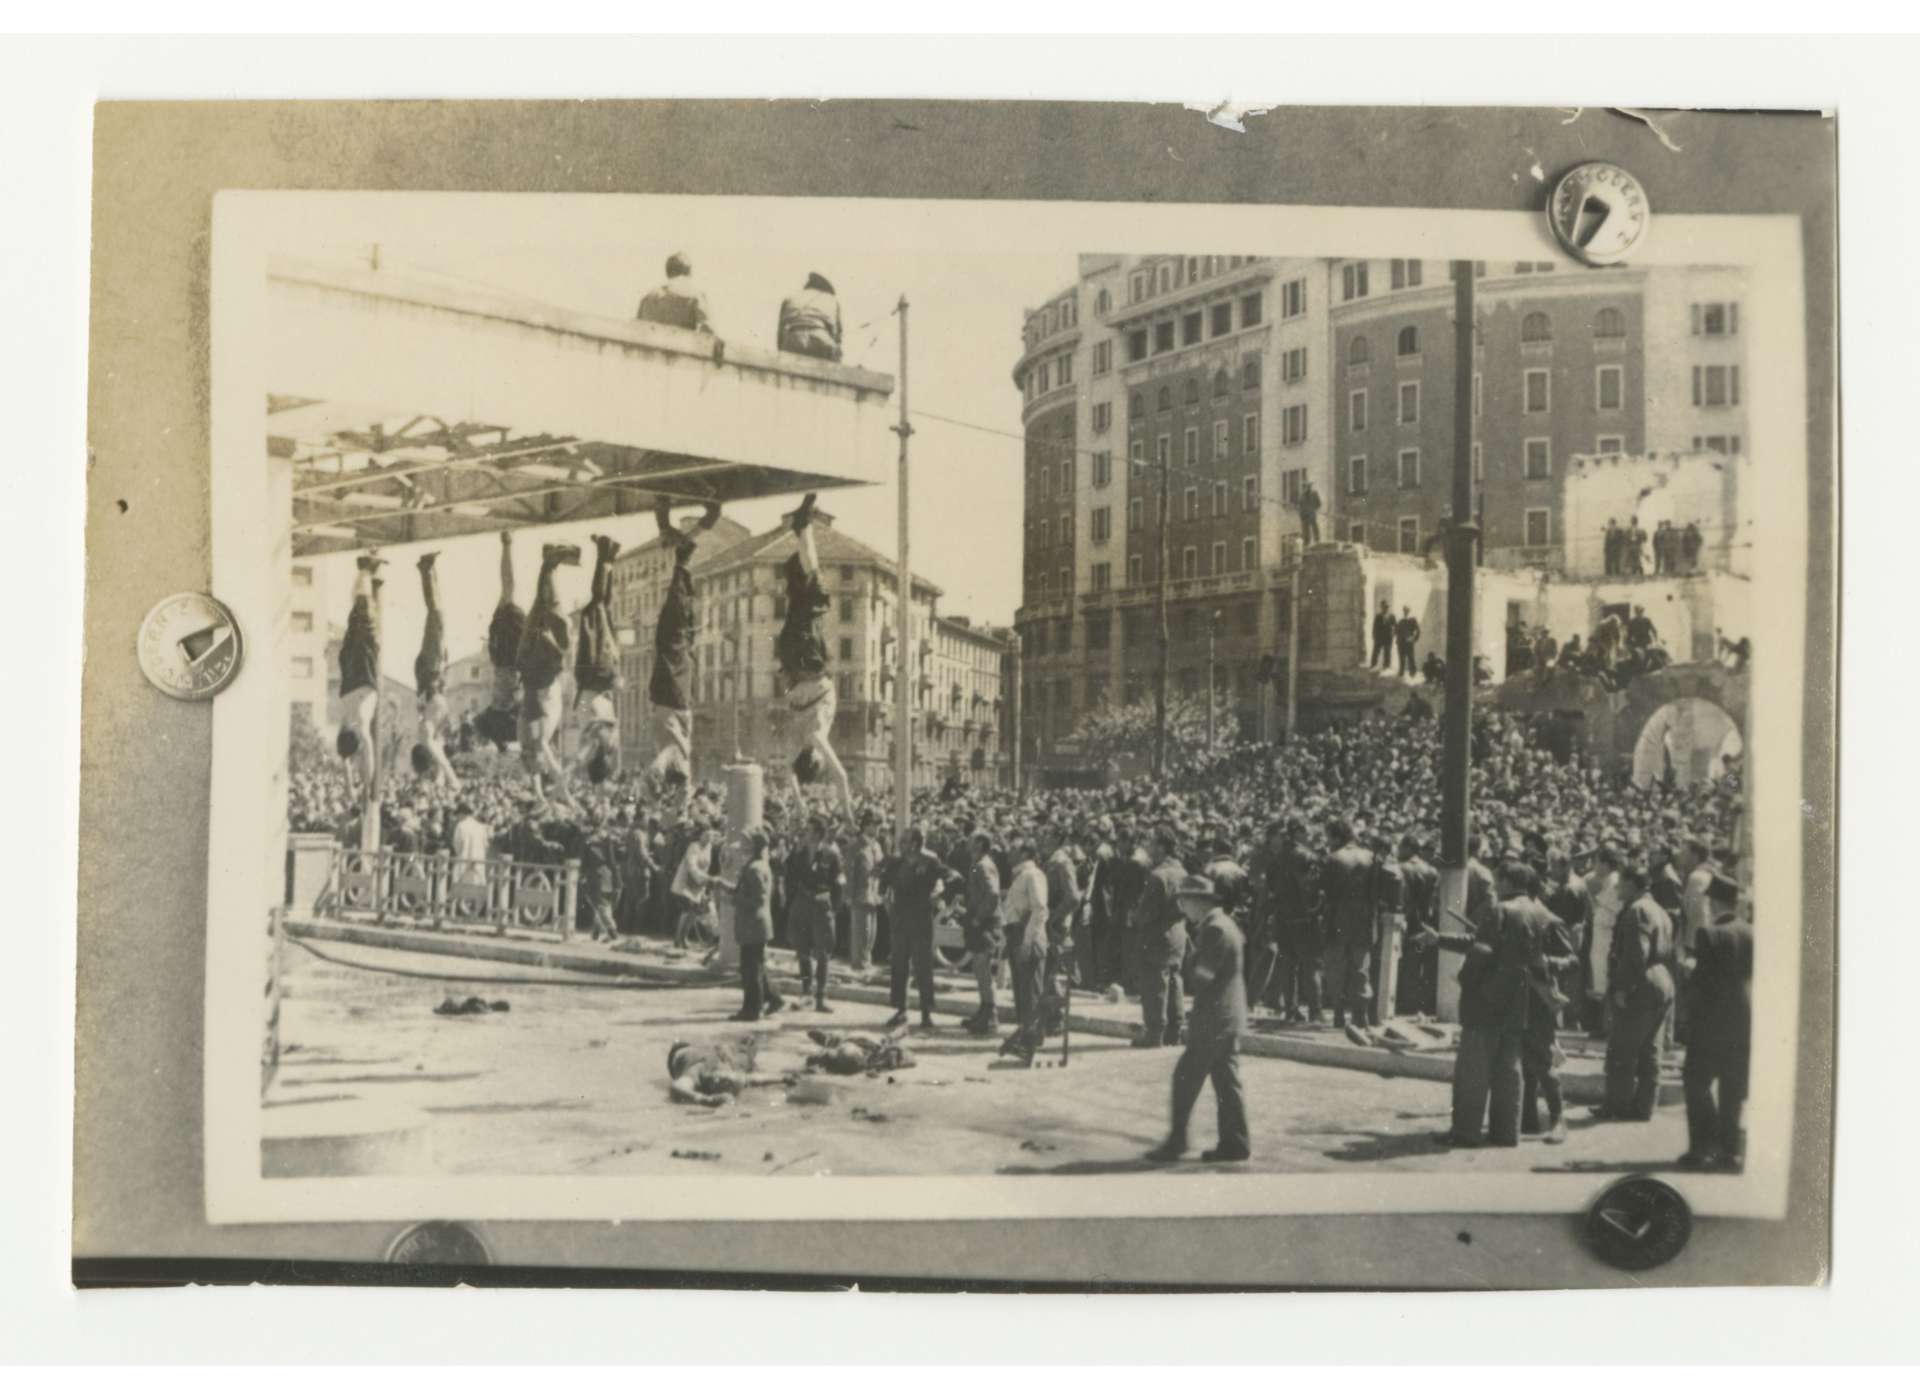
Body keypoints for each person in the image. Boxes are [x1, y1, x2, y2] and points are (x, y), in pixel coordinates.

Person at [1415, 861, 1560, 1148]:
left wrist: (1466, 980)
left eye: (1497, 881)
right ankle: (1506, 1132)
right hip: (1519, 1000)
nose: (1494, 887)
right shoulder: (1541, 913)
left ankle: (1466, 1132)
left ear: (1508, 881)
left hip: (1488, 998)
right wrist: (1440, 939)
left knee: (1474, 1068)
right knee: (1509, 1067)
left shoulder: (1500, 910)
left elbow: (1481, 949)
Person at [1145, 875, 1251, 1164]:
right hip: (1229, 1015)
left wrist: (1191, 962)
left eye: (1183, 901)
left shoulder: (1214, 930)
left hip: (1213, 1018)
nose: (1181, 907)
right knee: (1227, 1082)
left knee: (1185, 1078)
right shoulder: (1226, 924)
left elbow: (1203, 977)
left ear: (1197, 902)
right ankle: (1236, 1143)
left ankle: (1177, 1142)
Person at [775, 494, 854, 815]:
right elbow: (787, 774)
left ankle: (803, 527)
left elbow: (842, 776)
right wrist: (799, 805)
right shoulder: (794, 747)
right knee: (800, 592)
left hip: (808, 662)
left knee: (814, 585)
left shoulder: (816, 737)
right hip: (792, 658)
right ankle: (800, 533)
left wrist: (848, 813)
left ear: (817, 759)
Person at [648, 500, 722, 795]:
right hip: (674, 692)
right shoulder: (679, 758)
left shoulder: (675, 756)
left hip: (674, 692)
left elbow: (666, 759)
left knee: (678, 616)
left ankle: (669, 526)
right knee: (679, 615)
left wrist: (663, 772)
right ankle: (666, 526)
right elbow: (671, 767)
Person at [1679, 872, 1751, 1170]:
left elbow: (1702, 982)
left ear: (1714, 902)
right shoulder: (1752, 932)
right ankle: (1730, 1151)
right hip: (1743, 1019)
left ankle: (1703, 1147)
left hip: (1710, 1023)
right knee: (1732, 1087)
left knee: (1696, 1083)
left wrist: (1689, 969)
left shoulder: (1708, 934)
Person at [1596, 864, 1677, 1122]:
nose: (1618, 888)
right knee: (1650, 1050)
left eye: (1621, 883)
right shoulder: (1659, 910)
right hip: (1661, 978)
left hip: (1642, 982)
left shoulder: (1637, 910)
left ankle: (1616, 1107)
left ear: (1632, 884)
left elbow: (1635, 954)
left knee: (1621, 1050)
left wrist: (1622, 988)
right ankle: (1643, 1108)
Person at [516, 541, 578, 802]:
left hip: (541, 669)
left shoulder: (536, 739)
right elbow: (535, 769)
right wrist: (541, 797)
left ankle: (550, 563)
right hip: (529, 661)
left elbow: (543, 755)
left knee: (561, 626)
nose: (546, 760)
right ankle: (548, 564)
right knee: (541, 605)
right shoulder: (526, 739)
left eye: (541, 763)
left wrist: (562, 785)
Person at [885, 826, 953, 1032]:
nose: (900, 844)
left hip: (921, 920)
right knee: (898, 966)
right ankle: (900, 1010)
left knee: (923, 967)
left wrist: (937, 895)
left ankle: (926, 1012)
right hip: (900, 920)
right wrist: (887, 901)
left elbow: (950, 876)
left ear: (915, 843)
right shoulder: (897, 862)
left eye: (905, 841)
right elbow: (886, 883)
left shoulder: (930, 861)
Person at [714, 828, 784, 1022]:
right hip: (754, 923)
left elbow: (756, 899)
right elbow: (742, 891)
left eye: (746, 843)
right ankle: (774, 998)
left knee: (750, 968)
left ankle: (752, 1009)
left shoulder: (755, 868)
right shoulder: (756, 865)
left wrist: (732, 900)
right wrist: (724, 886)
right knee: (756, 965)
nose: (742, 846)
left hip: (753, 923)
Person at [571, 534, 624, 789]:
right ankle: (604, 553)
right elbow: (581, 755)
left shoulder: (610, 743)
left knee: (603, 609)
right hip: (593, 674)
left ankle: (609, 557)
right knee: (595, 608)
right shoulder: (595, 743)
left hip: (605, 676)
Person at [1131, 828, 1191, 1048]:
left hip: (1157, 934)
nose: (1148, 847)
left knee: (1154, 982)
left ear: (1162, 847)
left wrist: (1135, 917)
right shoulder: (1182, 872)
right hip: (1178, 932)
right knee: (1175, 980)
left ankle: (1154, 1033)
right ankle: (1174, 1031)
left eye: (1152, 843)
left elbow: (1147, 912)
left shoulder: (1158, 876)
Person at [997, 836, 1052, 1063]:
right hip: (1016, 934)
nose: (1009, 852)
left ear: (1024, 853)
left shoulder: (1032, 874)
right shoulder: (1020, 875)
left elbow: (1039, 910)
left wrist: (1027, 943)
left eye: (1014, 848)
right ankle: (1027, 1039)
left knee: (1030, 993)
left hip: (1027, 936)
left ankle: (1029, 1045)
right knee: (1022, 993)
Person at [1320, 818, 1376, 1034]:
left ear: (1335, 836)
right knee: (1361, 967)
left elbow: (1326, 892)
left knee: (1337, 967)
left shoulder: (1333, 858)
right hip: (1363, 920)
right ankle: (1361, 1015)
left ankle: (1338, 1013)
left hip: (1338, 920)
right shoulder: (1369, 857)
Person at [335, 553, 383, 794]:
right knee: (356, 618)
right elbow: (345, 760)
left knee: (361, 617)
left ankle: (364, 569)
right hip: (351, 676)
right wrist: (351, 786)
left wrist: (364, 785)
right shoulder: (345, 725)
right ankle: (364, 571)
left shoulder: (360, 727)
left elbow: (368, 753)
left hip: (362, 677)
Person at [789, 812, 844, 1012]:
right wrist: (795, 851)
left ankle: (821, 997)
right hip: (803, 905)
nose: (806, 833)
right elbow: (790, 876)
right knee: (802, 951)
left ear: (819, 834)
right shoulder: (799, 853)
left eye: (809, 830)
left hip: (822, 906)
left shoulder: (831, 854)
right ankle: (806, 993)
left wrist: (833, 907)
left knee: (823, 953)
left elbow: (838, 884)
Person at [475, 532, 525, 751]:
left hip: (508, 657)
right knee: (508, 590)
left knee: (508, 589)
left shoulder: (506, 708)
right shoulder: (499, 710)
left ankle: (507, 545)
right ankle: (507, 545)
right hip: (504, 657)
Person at [961, 830, 1004, 1036]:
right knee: (979, 969)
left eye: (972, 840)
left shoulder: (983, 865)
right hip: (980, 922)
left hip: (986, 924)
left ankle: (990, 1015)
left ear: (979, 843)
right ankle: (984, 1011)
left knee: (983, 968)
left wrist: (979, 917)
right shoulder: (978, 864)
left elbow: (993, 894)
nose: (968, 842)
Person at [1396, 833, 1441, 1015]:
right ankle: (1417, 1003)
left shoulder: (1401, 868)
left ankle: (1406, 1003)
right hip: (1425, 920)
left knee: (1405, 963)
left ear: (1407, 847)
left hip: (1407, 919)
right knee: (1420, 963)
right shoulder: (1431, 870)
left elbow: (1402, 898)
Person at [668, 819, 717, 951]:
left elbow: (706, 866)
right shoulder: (694, 846)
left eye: (711, 836)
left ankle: (684, 937)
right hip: (685, 882)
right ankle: (678, 939)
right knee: (687, 910)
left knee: (694, 913)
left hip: (698, 885)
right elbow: (691, 866)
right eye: (706, 836)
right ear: (700, 835)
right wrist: (704, 878)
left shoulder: (709, 847)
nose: (709, 839)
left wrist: (704, 883)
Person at [636, 252, 714, 333]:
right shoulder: (696, 296)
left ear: (668, 273)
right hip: (681, 345)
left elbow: (636, 330)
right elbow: (707, 330)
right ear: (689, 272)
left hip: (649, 344)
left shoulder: (647, 298)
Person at [777, 272, 843, 362]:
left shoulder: (789, 298)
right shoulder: (832, 300)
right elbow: (836, 336)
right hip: (820, 337)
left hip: (793, 338)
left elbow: (780, 335)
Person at [846, 818, 883, 973]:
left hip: (873, 893)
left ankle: (866, 961)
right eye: (875, 825)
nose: (878, 828)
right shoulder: (855, 846)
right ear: (867, 826)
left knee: (871, 932)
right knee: (861, 930)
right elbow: (849, 872)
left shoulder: (876, 846)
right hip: (860, 893)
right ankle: (858, 963)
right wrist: (849, 894)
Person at [1395, 605, 1421, 679]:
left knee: (1411, 657)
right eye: (1404, 610)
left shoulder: (1413, 620)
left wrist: (1414, 639)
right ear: (1403, 611)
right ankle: (1401, 671)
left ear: (1409, 611)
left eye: (1407, 610)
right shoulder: (1400, 621)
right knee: (1401, 657)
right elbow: (1396, 631)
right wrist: (1397, 638)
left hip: (1409, 642)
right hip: (1401, 642)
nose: (1405, 612)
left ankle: (1412, 672)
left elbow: (1418, 630)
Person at [1369, 599, 1394, 671]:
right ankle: (1373, 664)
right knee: (1376, 651)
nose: (1385, 608)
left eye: (1386, 607)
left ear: (1388, 607)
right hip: (1379, 637)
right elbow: (1374, 626)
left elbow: (1395, 625)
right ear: (1381, 607)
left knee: (1387, 652)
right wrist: (1374, 635)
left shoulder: (1391, 616)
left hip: (1388, 637)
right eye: (1383, 607)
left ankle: (1387, 666)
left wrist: (1393, 634)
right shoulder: (1378, 616)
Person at [1297, 481, 1322, 546]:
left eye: (1308, 487)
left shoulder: (1314, 494)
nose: (1307, 488)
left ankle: (1317, 540)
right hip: (1304, 515)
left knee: (1314, 526)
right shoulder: (1301, 496)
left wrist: (1313, 509)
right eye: (1305, 487)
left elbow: (1318, 504)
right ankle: (1306, 542)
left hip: (1311, 513)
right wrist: (1301, 514)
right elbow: (1300, 506)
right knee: (1305, 529)